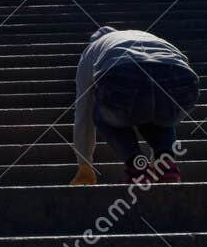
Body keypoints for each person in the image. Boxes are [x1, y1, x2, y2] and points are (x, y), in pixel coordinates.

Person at [71, 27, 200, 186]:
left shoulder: (91, 51)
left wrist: (84, 163)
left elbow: (84, 110)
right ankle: (166, 166)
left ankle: (137, 168)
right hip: (181, 77)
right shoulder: (147, 36)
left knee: (99, 111)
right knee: (158, 108)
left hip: (123, 73)